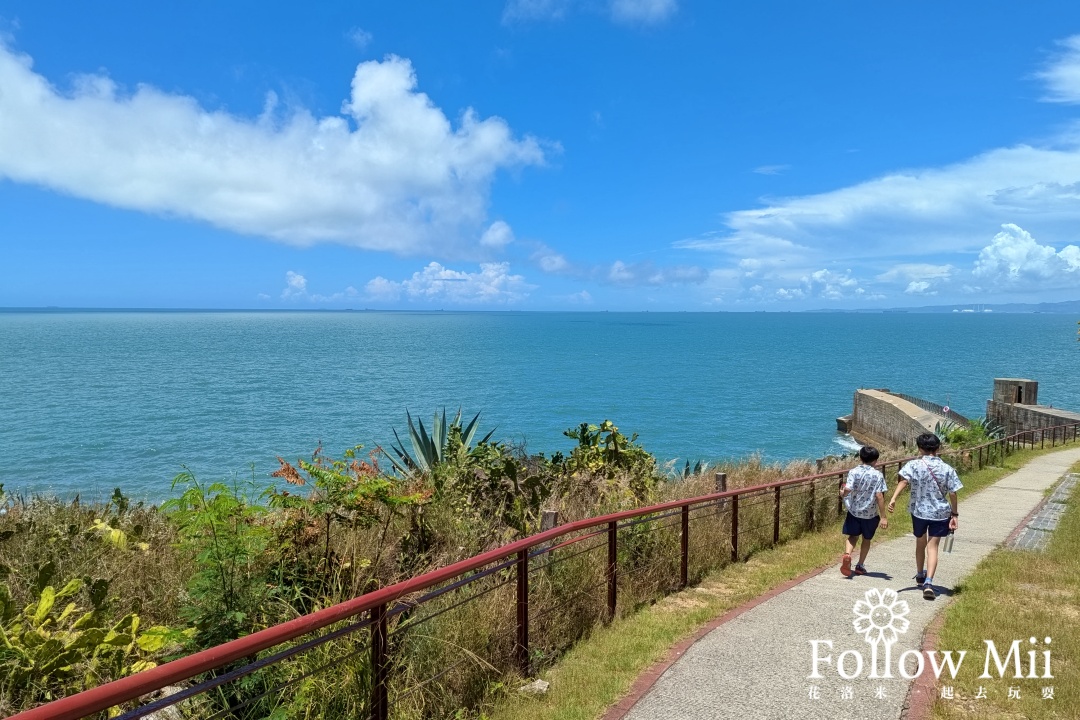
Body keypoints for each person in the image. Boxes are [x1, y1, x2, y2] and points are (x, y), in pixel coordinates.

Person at [887, 432, 961, 599]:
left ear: (920, 448)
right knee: (932, 547)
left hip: (919, 511)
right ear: (938, 448)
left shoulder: (914, 465)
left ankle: (920, 574)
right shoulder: (947, 468)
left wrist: (893, 499)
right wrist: (954, 514)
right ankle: (929, 581)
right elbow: (953, 493)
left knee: (921, 542)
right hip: (941, 513)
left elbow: (904, 481)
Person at [839, 445, 888, 577]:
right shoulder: (878, 475)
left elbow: (848, 489)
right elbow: (879, 496)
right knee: (866, 539)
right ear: (875, 460)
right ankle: (860, 565)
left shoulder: (854, 471)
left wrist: (843, 493)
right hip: (870, 514)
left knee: (853, 536)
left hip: (854, 511)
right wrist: (883, 516)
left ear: (860, 458)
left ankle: (848, 554)